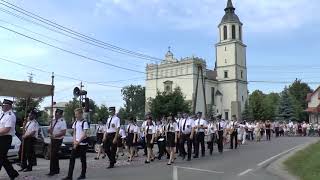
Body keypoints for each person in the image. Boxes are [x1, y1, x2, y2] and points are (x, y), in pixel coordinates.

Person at [63, 108, 89, 180]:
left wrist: (78, 142)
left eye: (77, 114)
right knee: (72, 159)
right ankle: (69, 176)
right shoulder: (75, 122)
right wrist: (74, 141)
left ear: (81, 114)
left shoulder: (84, 123)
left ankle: (83, 174)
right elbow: (74, 132)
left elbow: (84, 134)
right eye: (75, 114)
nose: (76, 116)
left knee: (83, 159)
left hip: (82, 144)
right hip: (76, 143)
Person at [0, 99, 19, 180]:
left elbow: (6, 129)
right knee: (3, 158)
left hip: (5, 138)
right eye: (2, 105)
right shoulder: (3, 114)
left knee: (0, 157)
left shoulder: (10, 115)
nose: (2, 107)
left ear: (9, 106)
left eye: (4, 106)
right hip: (1, 137)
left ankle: (13, 174)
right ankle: (13, 174)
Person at [47, 109, 67, 176]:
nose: (56, 115)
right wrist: (50, 129)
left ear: (61, 115)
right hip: (53, 139)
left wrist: (55, 135)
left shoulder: (62, 122)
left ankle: (52, 171)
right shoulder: (53, 121)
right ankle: (56, 169)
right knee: (54, 155)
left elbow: (63, 132)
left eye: (57, 114)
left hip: (58, 140)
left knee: (53, 155)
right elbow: (49, 130)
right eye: (55, 113)